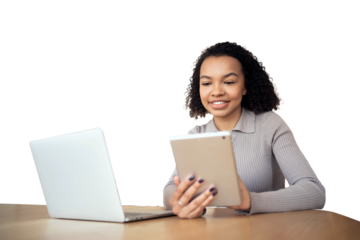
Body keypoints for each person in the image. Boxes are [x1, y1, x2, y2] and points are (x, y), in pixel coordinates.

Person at [162, 39, 326, 219]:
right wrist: (182, 202)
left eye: (229, 82)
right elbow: (170, 189)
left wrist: (250, 201)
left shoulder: (270, 126)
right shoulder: (195, 134)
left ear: (245, 86)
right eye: (207, 83)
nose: (216, 91)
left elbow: (314, 192)